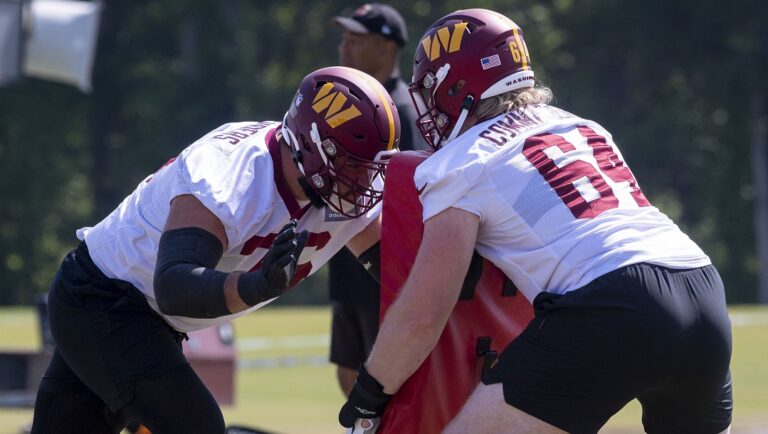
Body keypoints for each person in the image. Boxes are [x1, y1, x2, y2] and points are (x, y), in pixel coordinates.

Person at [338, 8, 732, 434]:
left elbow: (424, 312)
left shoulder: (462, 161)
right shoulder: (582, 127)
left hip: (613, 304)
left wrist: (367, 394)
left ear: (457, 84)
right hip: (703, 291)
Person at [30, 65, 400, 434]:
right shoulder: (232, 174)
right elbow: (175, 286)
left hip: (149, 317)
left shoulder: (343, 190)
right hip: (103, 298)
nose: (365, 182)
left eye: (372, 167)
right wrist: (256, 284)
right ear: (313, 145)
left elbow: (402, 274)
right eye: (354, 164)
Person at [328, 2, 426, 396]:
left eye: (356, 39)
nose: (343, 48)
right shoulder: (355, 103)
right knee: (349, 374)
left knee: (385, 384)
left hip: (382, 271)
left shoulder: (400, 109)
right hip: (348, 264)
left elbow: (413, 199)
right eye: (344, 38)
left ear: (387, 49)